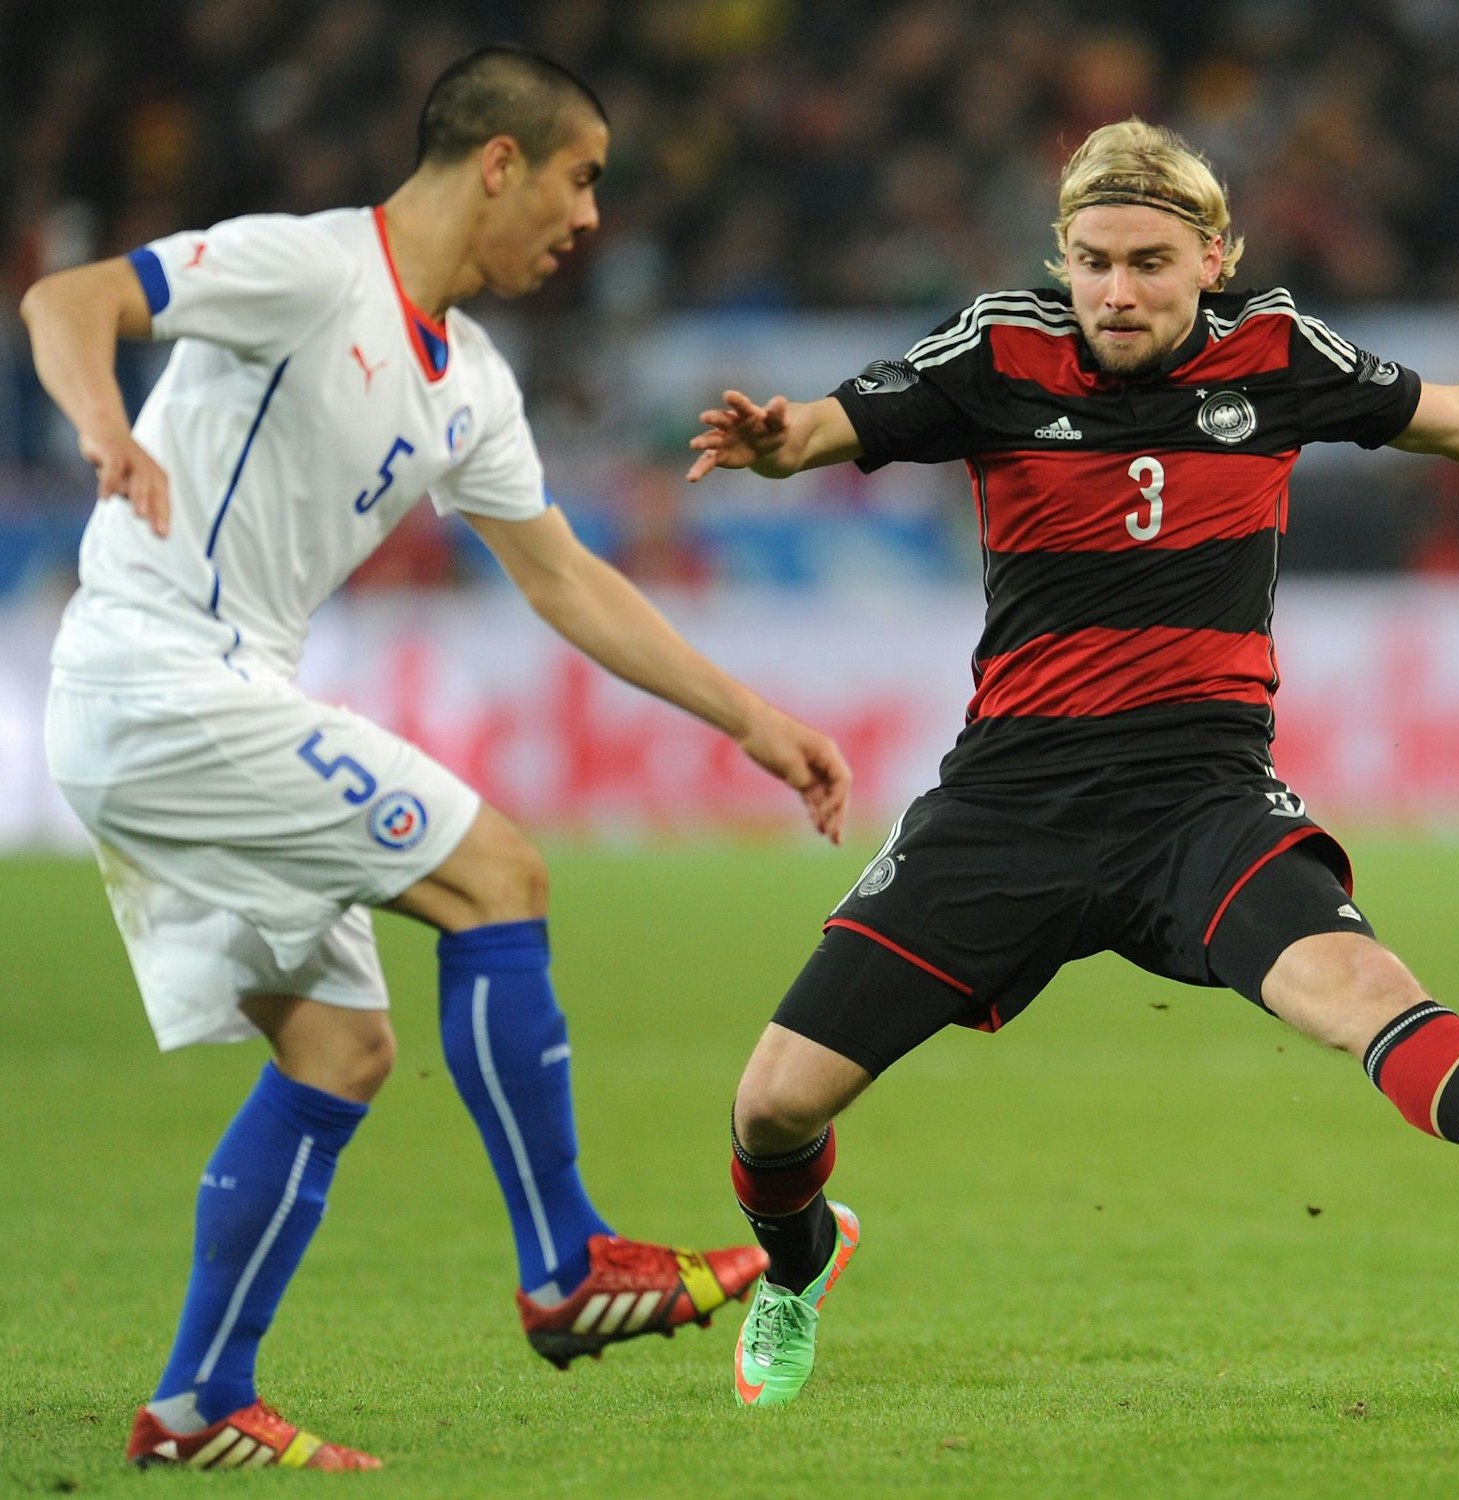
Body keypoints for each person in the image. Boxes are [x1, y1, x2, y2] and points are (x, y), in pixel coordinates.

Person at [686, 118, 1459, 1408]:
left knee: (1356, 986)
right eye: (1092, 261)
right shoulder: (997, 352)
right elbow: (827, 429)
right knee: (776, 1107)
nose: (1116, 291)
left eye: (1149, 262)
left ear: (1213, 259)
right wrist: (777, 438)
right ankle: (796, 1270)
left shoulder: (1277, 354)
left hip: (1200, 794)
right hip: (1011, 801)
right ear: (1059, 259)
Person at [24, 46, 851, 1470]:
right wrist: (105, 423)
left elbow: (563, 578)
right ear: (500, 161)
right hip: (162, 675)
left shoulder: (468, 377)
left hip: (211, 696)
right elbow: (67, 296)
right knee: (496, 871)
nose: (592, 219)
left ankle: (198, 1402)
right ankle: (567, 1260)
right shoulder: (307, 268)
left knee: (342, 1050)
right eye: (583, 179)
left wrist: (750, 720)